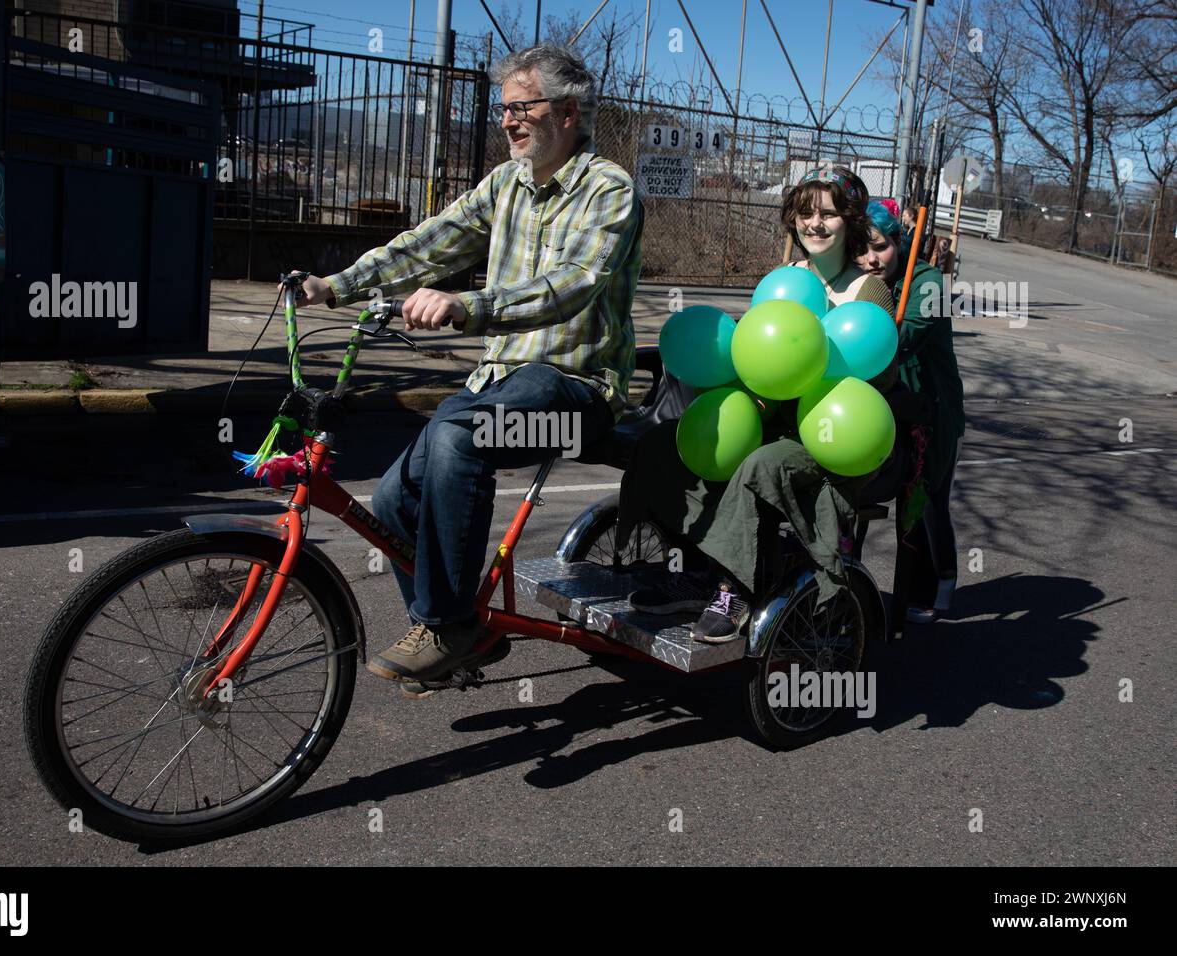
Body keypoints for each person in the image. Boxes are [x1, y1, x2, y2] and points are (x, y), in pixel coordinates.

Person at [291, 45, 643, 684]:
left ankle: (447, 625)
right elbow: (429, 244)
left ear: (566, 112)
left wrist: (466, 305)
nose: (507, 121)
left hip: (575, 400)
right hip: (503, 385)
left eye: (520, 107)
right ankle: (466, 632)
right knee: (393, 501)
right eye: (502, 109)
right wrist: (335, 284)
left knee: (462, 435)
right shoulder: (503, 185)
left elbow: (572, 285)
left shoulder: (608, 190)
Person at [617, 166, 896, 642]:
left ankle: (735, 590)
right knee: (665, 445)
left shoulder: (868, 289)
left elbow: (877, 375)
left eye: (828, 214)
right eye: (805, 213)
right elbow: (755, 354)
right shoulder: (784, 279)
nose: (815, 224)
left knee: (759, 466)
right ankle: (694, 568)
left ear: (849, 221)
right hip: (771, 416)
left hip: (830, 431)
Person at [857, 200, 965, 622]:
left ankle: (936, 588)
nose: (871, 258)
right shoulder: (862, 278)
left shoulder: (928, 283)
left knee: (925, 501)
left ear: (899, 243)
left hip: (932, 410)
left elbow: (904, 338)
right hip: (890, 406)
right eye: (861, 250)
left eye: (880, 247)